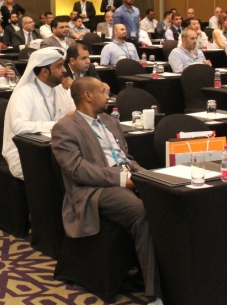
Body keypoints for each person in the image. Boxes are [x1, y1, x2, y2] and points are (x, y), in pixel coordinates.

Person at [51, 77, 161, 303]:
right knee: (142, 213)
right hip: (94, 190)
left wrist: (145, 176)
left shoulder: (110, 121)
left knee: (168, 202)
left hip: (126, 177)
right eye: (103, 91)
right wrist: (122, 179)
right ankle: (155, 293)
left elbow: (126, 157)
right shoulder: (65, 128)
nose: (108, 96)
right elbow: (78, 170)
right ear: (88, 95)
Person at [2, 47, 74, 179]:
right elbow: (19, 127)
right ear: (44, 72)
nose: (64, 70)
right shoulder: (25, 93)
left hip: (58, 147)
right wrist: (57, 125)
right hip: (27, 152)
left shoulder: (62, 89)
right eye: (59, 66)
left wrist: (75, 87)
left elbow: (76, 114)